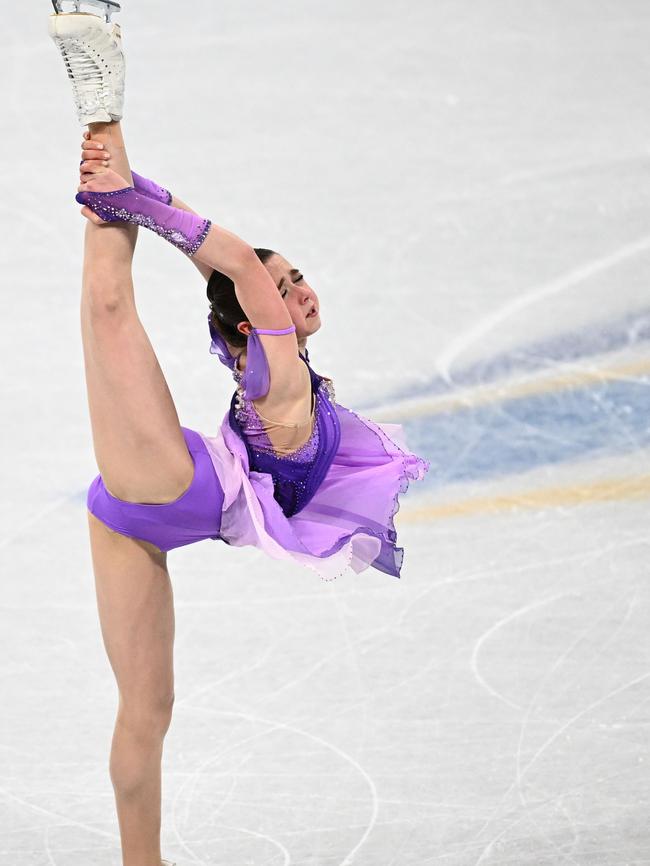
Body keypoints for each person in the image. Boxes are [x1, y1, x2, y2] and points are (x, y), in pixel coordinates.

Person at [49, 3, 430, 864]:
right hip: (150, 496)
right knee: (107, 302)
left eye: (297, 281)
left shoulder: (289, 376)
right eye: (284, 283)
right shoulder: (275, 366)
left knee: (148, 713)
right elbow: (226, 264)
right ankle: (98, 82)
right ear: (248, 330)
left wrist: (140, 194)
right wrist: (131, 193)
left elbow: (223, 256)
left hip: (153, 508)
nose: (297, 291)